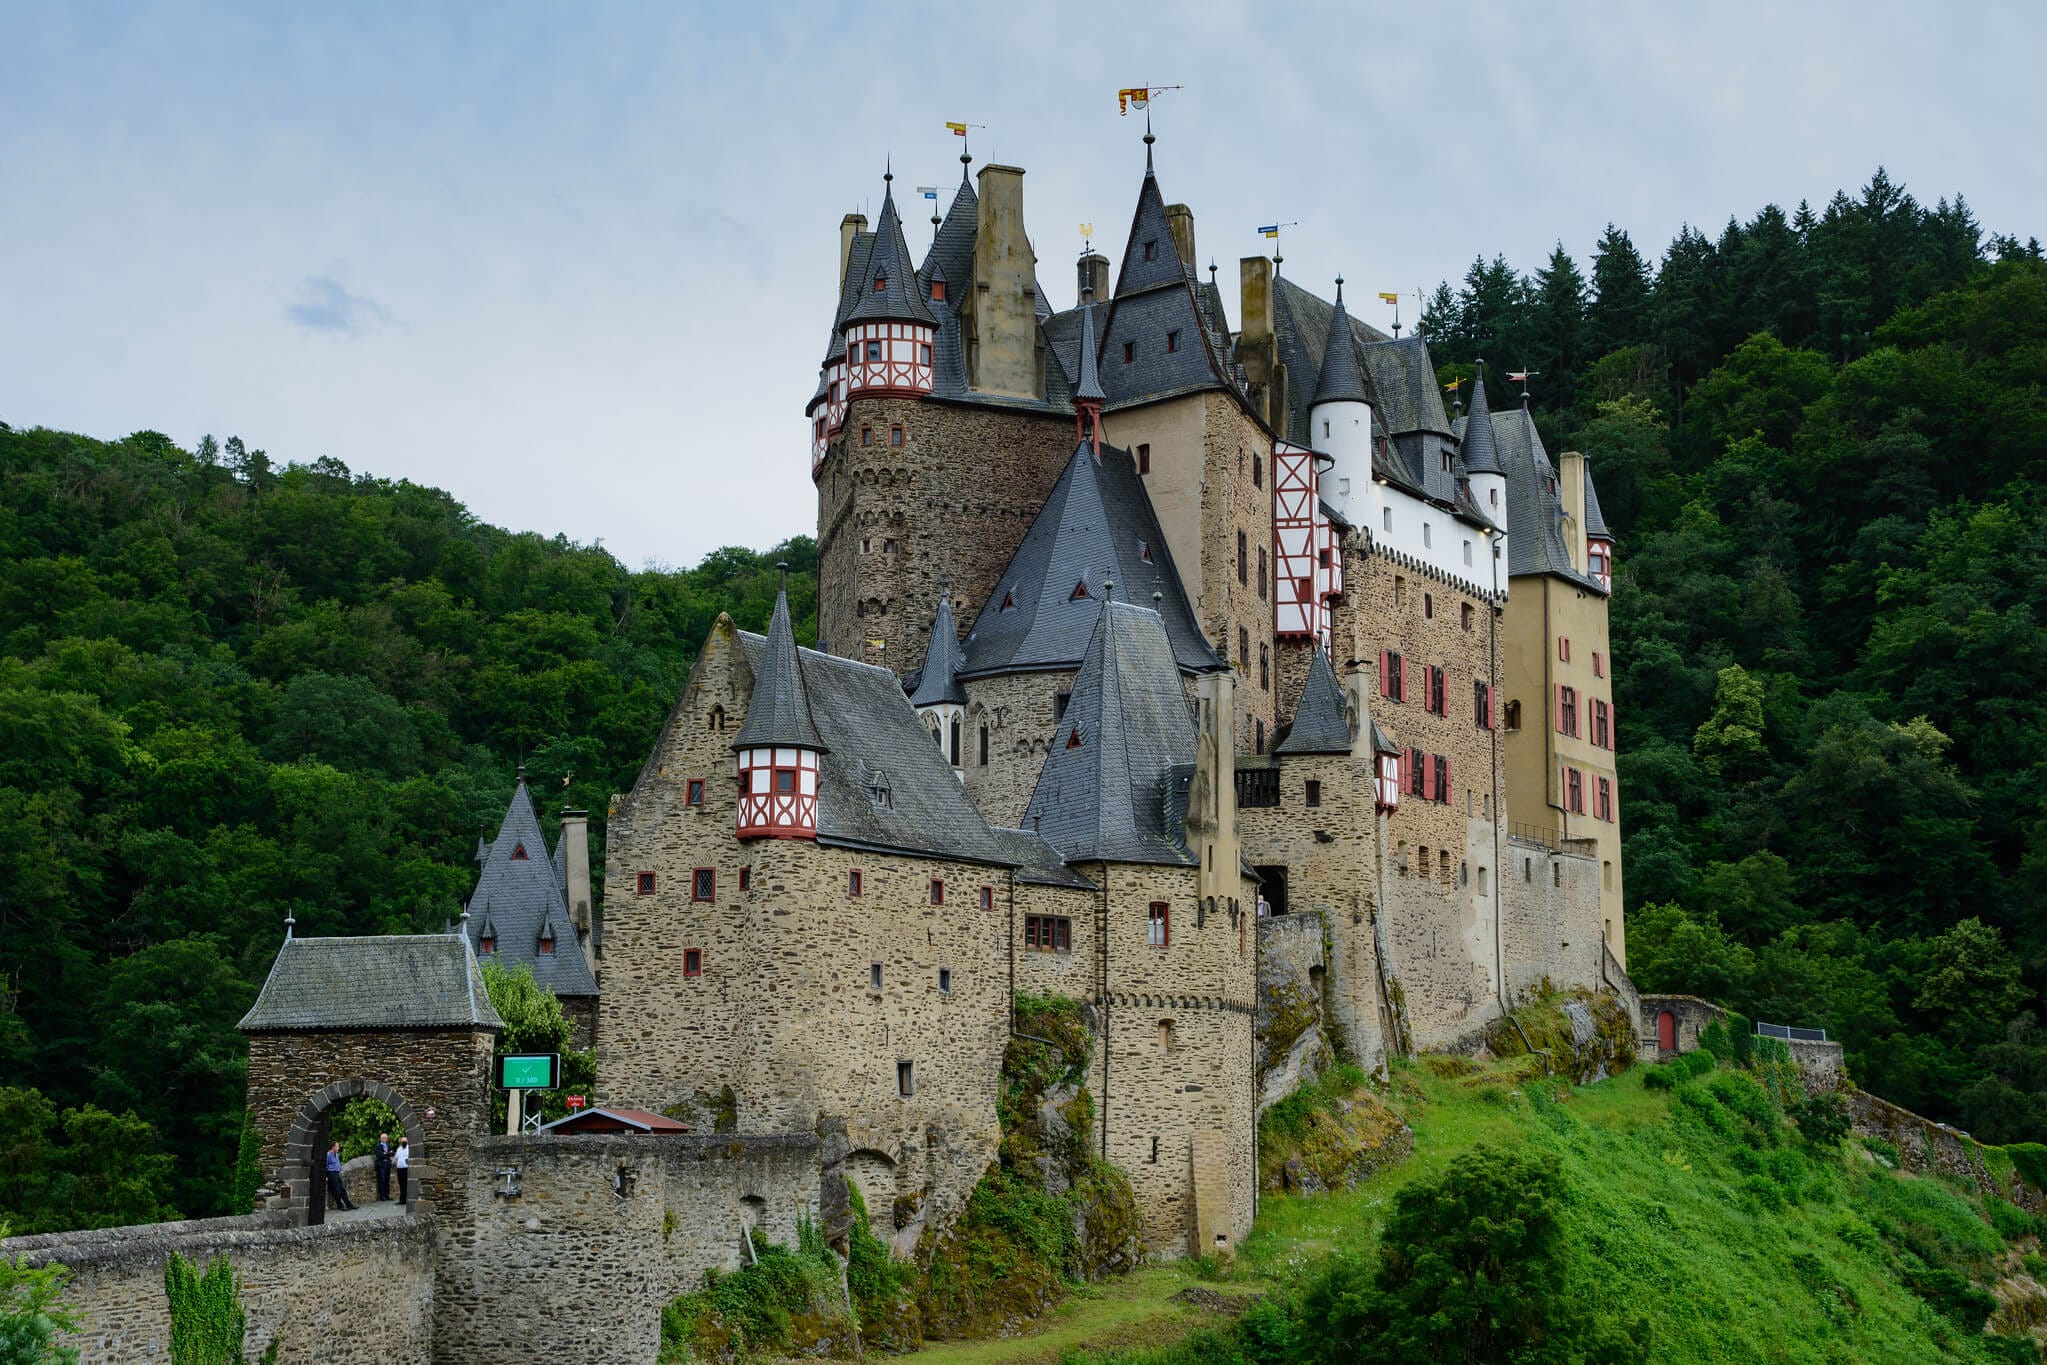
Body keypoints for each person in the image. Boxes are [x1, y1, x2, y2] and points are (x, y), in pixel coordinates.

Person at [324, 1141, 356, 1211]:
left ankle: (349, 1205)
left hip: (337, 1174)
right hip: (331, 1174)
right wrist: (326, 1176)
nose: (338, 1148)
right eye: (337, 1146)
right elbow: (325, 1165)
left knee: (342, 1189)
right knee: (336, 1190)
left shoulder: (336, 1154)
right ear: (333, 1147)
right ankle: (340, 1206)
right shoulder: (328, 1155)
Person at [373, 1132, 392, 1201]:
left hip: (387, 1165)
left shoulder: (389, 1146)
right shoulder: (378, 1146)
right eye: (383, 1138)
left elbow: (392, 1153)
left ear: (387, 1139)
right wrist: (387, 1153)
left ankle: (387, 1195)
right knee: (382, 1180)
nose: (384, 1139)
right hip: (381, 1166)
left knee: (387, 1180)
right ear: (381, 1139)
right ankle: (382, 1196)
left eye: (385, 1138)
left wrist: (385, 1153)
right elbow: (379, 1155)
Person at [394, 1138, 410, 1205]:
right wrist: (397, 1166)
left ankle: (407, 1200)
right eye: (402, 1141)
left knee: (407, 1185)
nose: (403, 1142)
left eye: (404, 1141)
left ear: (407, 1142)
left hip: (406, 1169)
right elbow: (396, 1158)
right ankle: (402, 1200)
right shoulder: (399, 1149)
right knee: (401, 1185)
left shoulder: (409, 1148)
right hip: (400, 1169)